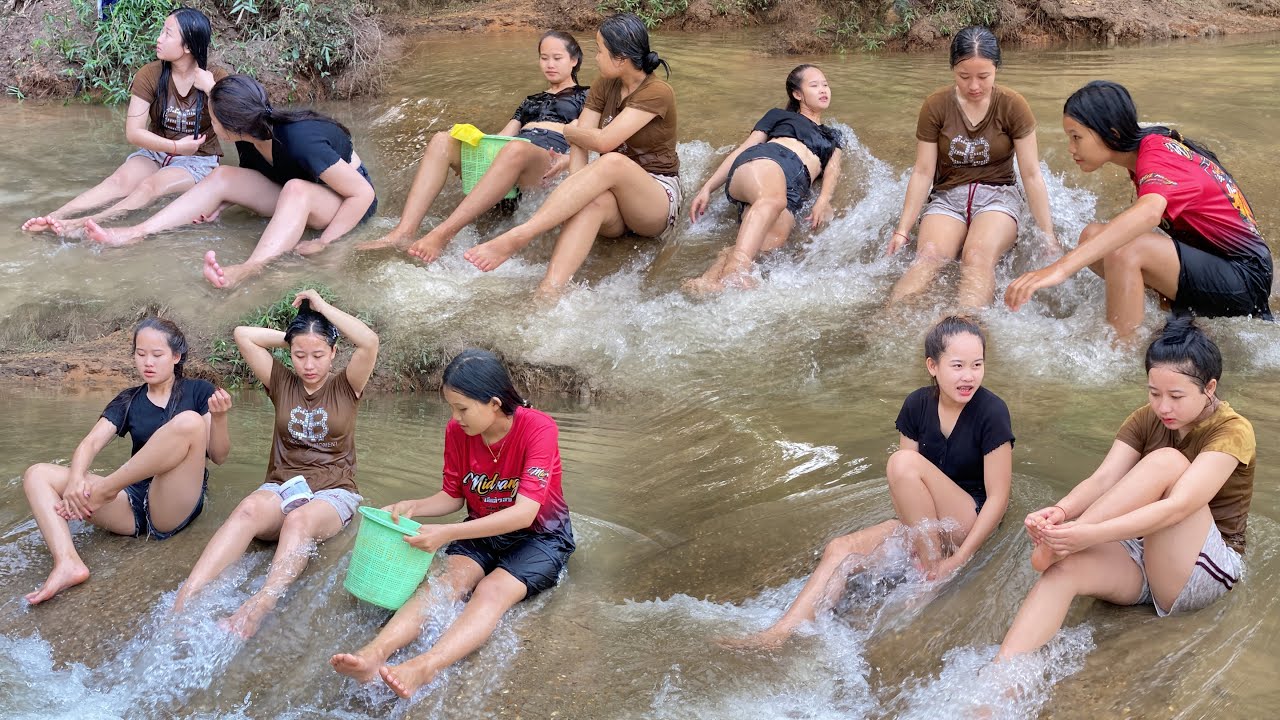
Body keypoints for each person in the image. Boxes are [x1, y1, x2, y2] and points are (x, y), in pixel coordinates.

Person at [724, 316, 1013, 649]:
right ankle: (781, 633)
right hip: (927, 524)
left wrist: (957, 560)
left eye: (977, 365)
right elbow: (905, 487)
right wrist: (910, 538)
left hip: (967, 518)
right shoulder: (917, 405)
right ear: (932, 366)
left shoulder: (992, 411)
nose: (969, 376)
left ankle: (932, 570)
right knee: (840, 550)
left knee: (902, 461)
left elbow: (998, 498)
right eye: (958, 365)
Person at [997, 319, 1252, 658]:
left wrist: (1087, 534)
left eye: (1176, 396)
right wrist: (1062, 511)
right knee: (1063, 571)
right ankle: (1001, 682)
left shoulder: (1233, 430)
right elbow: (1103, 479)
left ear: (1209, 387)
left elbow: (1179, 507)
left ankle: (1068, 539)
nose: (1163, 407)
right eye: (1154, 393)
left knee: (1168, 462)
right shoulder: (1147, 418)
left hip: (1202, 570)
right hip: (1145, 553)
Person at [331, 349, 575, 699]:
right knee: (447, 582)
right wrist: (415, 505)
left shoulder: (538, 428)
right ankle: (373, 654)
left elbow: (525, 513)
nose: (455, 417)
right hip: (483, 530)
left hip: (540, 537)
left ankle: (425, 666)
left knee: (491, 591)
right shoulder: (458, 432)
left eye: (462, 408)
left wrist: (447, 532)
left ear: (493, 403)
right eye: (451, 408)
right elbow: (453, 496)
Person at [172, 291, 378, 637]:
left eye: (317, 355)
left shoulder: (348, 385)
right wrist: (294, 337)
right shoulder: (282, 382)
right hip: (282, 486)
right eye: (299, 355)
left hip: (333, 493)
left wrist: (322, 309)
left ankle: (259, 607)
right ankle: (185, 598)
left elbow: (369, 342)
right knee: (249, 508)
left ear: (333, 353)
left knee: (298, 520)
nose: (308, 365)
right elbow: (244, 335)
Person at [1005, 81, 1273, 339]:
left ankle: (1121, 355)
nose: (1071, 148)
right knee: (1092, 236)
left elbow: (1149, 214)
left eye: (1077, 137)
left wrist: (1059, 270)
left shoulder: (1156, 154)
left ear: (1112, 133)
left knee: (1127, 251)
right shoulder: (1148, 148)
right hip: (1217, 266)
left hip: (1246, 278)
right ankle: (1164, 322)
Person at [82, 75, 377, 289]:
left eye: (212, 115)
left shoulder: (301, 140)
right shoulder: (248, 136)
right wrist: (221, 203)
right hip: (297, 194)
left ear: (229, 126)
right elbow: (253, 180)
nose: (209, 120)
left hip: (345, 204)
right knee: (223, 175)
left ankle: (249, 269)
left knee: (296, 189)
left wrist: (325, 242)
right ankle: (138, 231)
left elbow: (362, 194)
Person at [463, 13, 679, 300]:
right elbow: (582, 139)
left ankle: (519, 236)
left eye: (600, 50)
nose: (596, 57)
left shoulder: (658, 92)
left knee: (612, 160)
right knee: (591, 199)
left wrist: (569, 130)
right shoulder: (605, 84)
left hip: (655, 198)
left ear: (620, 58)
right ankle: (548, 292)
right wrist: (577, 190)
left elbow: (603, 141)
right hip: (612, 197)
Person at [20, 318, 231, 604]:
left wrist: (218, 418)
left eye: (157, 355)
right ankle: (67, 562)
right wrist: (75, 480)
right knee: (37, 474)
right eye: (140, 354)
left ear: (176, 356)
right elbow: (90, 443)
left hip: (172, 503)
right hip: (130, 505)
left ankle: (107, 488)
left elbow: (218, 456)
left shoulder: (199, 392)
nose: (148, 362)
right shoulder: (128, 400)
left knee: (190, 423)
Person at [359, 31, 589, 262]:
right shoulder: (530, 101)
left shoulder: (587, 97)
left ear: (574, 60)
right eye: (543, 57)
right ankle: (403, 232)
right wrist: (472, 150)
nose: (549, 64)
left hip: (548, 160)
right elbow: (502, 137)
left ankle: (443, 234)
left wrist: (567, 160)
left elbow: (594, 141)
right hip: (515, 152)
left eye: (557, 58)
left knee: (517, 148)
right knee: (442, 140)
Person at [886, 26, 1057, 308]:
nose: (974, 86)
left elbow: (1031, 173)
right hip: (947, 197)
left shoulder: (1013, 105)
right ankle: (887, 327)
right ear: (953, 69)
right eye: (964, 77)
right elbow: (923, 171)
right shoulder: (936, 105)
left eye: (983, 77)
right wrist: (902, 229)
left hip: (998, 196)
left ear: (996, 70)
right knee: (928, 257)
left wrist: (1047, 235)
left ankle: (969, 328)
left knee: (976, 257)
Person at [21, 8, 227, 237]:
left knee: (150, 186)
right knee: (118, 181)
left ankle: (82, 225)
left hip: (197, 158)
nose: (158, 39)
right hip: (158, 150)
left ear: (188, 46)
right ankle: (56, 216)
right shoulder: (150, 74)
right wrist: (177, 147)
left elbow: (231, 127)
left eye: (167, 34)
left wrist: (211, 90)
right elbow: (134, 133)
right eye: (161, 31)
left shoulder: (216, 78)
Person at [685, 64, 843, 294]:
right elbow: (745, 147)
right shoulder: (779, 116)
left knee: (771, 242)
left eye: (826, 85)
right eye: (814, 85)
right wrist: (708, 188)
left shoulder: (834, 136)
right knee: (772, 200)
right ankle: (737, 270)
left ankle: (709, 279)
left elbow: (832, 170)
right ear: (797, 94)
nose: (823, 90)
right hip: (767, 161)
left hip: (793, 191)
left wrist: (823, 200)